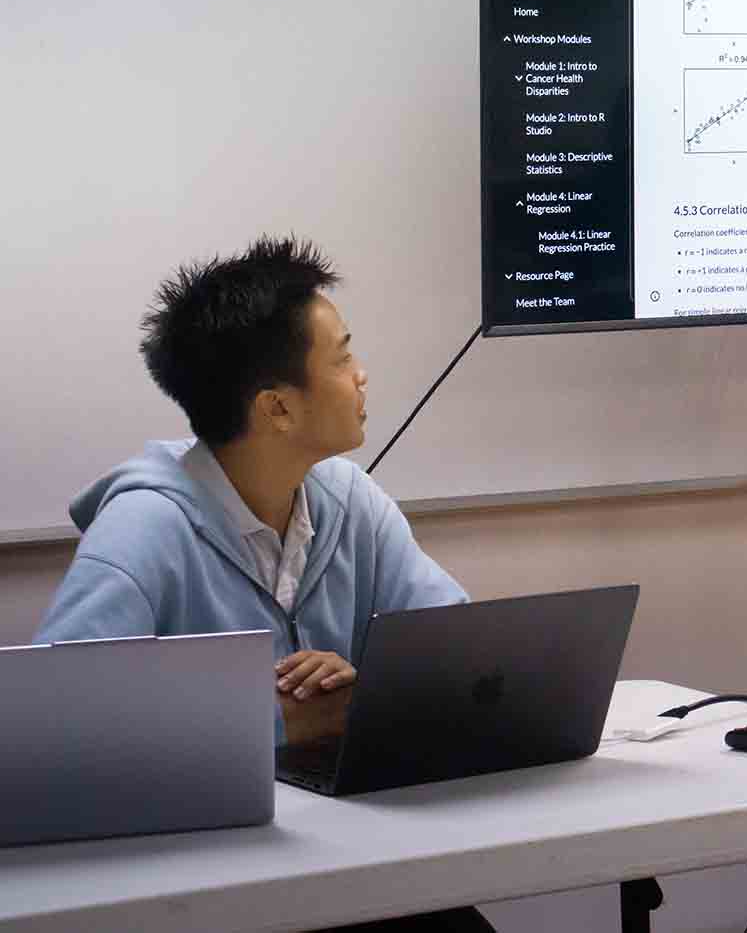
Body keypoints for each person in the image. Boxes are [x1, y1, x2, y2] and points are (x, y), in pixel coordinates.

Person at [35, 236, 468, 748]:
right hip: (209, 824)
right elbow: (52, 717)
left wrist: (363, 688)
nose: (361, 375)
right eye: (341, 359)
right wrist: (277, 719)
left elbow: (460, 658)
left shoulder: (352, 501)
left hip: (346, 819)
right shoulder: (143, 529)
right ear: (276, 409)